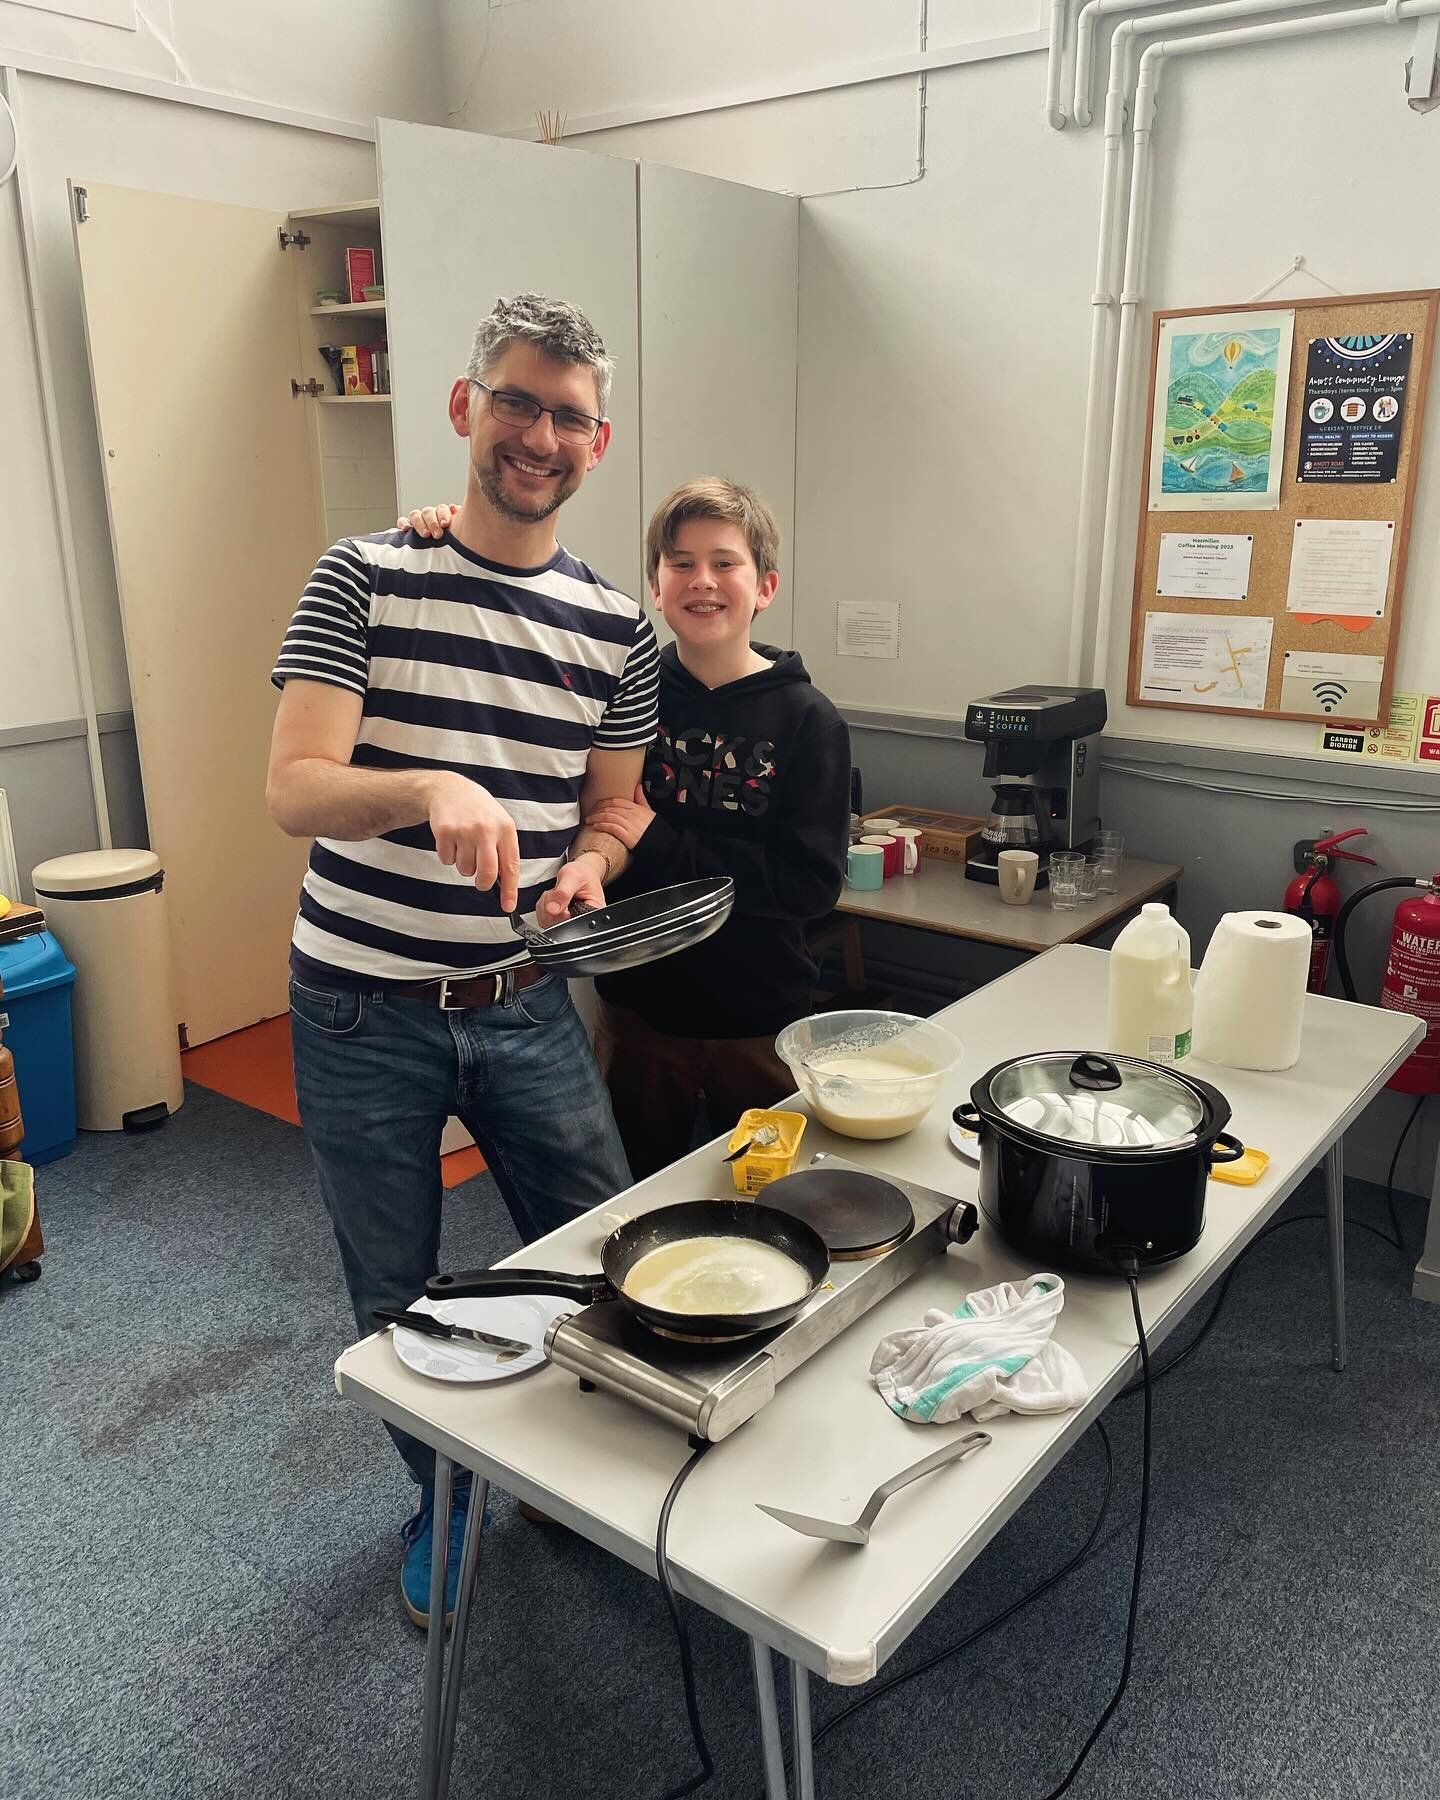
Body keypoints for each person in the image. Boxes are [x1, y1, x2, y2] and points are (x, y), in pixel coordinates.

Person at [266, 293, 657, 1629]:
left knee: (600, 1250)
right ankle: (441, 1496)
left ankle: (563, 1466)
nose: (539, 435)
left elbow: (617, 802)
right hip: (357, 1009)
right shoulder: (362, 575)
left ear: (596, 445)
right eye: (517, 403)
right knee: (396, 1286)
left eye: (567, 416)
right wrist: (426, 784)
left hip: (528, 1002)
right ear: (464, 408)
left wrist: (595, 860)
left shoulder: (619, 629)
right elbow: (295, 790)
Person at [402, 477, 850, 1180]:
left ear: (765, 586)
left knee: (774, 1202)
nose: (702, 580)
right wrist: (448, 532)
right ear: (656, 586)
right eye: (680, 562)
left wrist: (661, 841)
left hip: (760, 1022)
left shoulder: (809, 720)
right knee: (631, 1199)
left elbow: (810, 884)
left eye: (724, 562)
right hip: (639, 1017)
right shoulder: (625, 686)